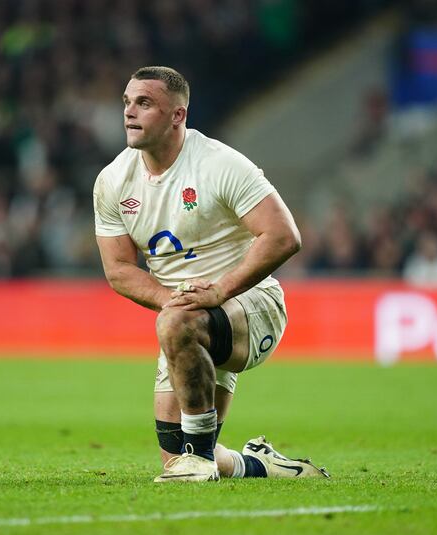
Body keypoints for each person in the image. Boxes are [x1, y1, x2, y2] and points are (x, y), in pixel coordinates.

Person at [93, 66, 329, 482]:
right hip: (184, 318)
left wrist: (218, 291)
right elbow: (118, 270)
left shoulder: (219, 164)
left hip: (252, 307)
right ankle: (262, 465)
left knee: (191, 450)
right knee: (176, 456)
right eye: (127, 102)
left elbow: (283, 236)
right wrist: (179, 301)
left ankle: (199, 463)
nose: (129, 112)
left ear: (177, 115)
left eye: (144, 103)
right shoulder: (113, 180)